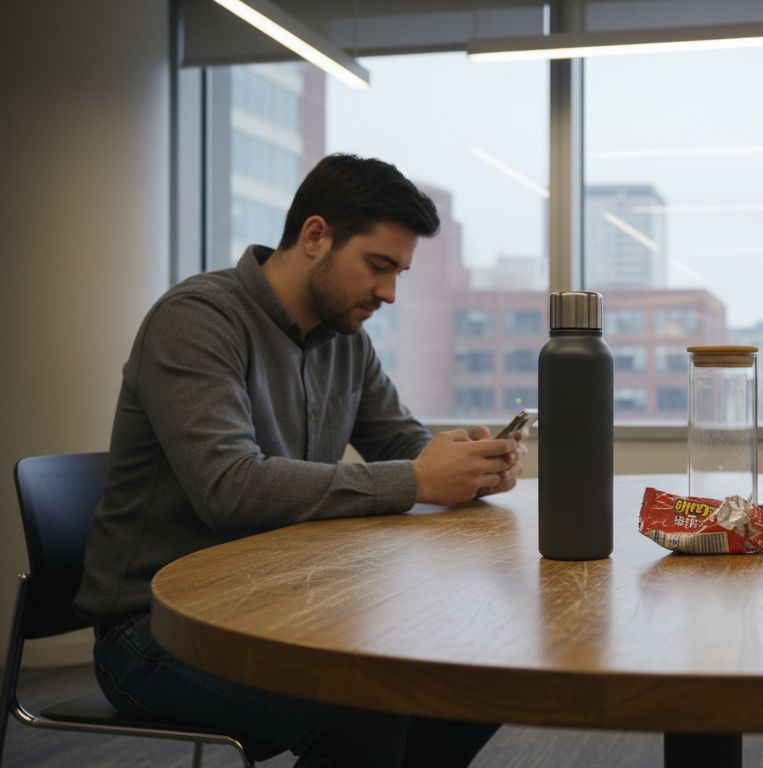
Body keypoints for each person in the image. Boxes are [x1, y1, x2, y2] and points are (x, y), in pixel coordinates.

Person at [74, 154, 524, 767]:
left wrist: (467, 463)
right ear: (315, 237)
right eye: (378, 266)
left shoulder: (347, 342)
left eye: (400, 273)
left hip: (283, 605)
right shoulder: (197, 320)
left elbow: (402, 444)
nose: (389, 293)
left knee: (478, 677)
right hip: (155, 631)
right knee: (363, 714)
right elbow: (228, 487)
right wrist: (420, 477)